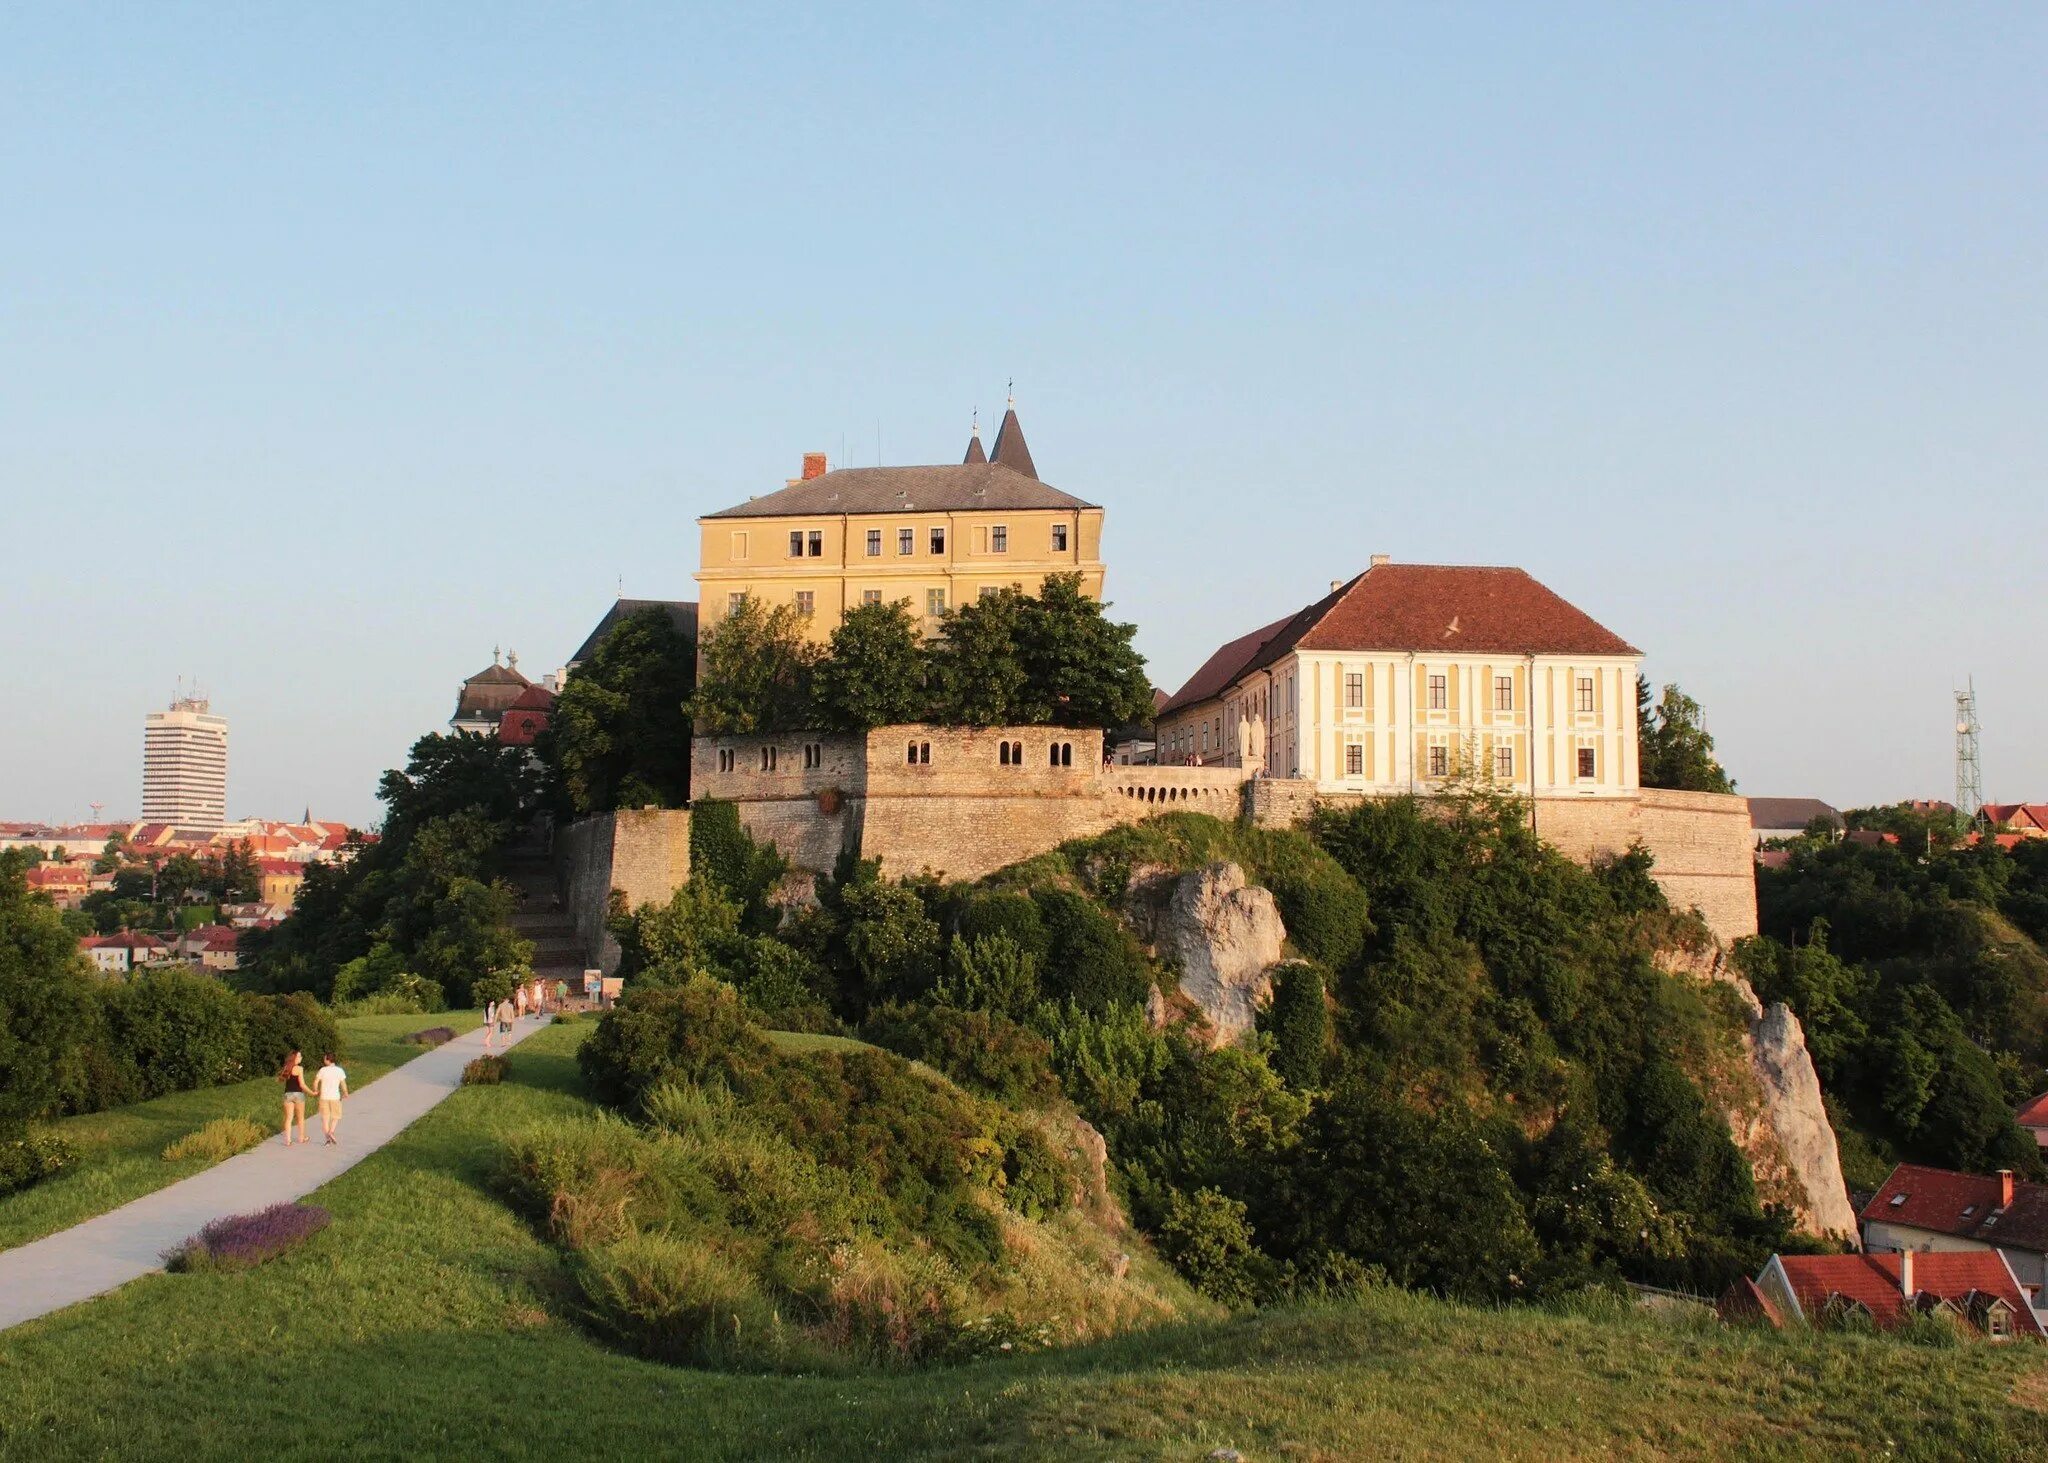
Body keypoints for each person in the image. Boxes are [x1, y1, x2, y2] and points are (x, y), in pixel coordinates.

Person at [312, 1053, 349, 1146]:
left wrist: (316, 1090)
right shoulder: (339, 1071)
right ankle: (331, 1131)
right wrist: (345, 1092)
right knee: (336, 1116)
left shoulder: (322, 1070)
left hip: (324, 1097)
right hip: (335, 1097)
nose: (323, 1061)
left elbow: (316, 1082)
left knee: (325, 1119)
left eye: (324, 1059)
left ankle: (327, 1140)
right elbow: (343, 1084)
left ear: (328, 1060)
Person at [279, 1050, 309, 1146]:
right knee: (300, 1118)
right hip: (298, 1094)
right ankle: (301, 1137)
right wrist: (312, 1092)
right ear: (295, 1058)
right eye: (300, 1056)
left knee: (289, 1118)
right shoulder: (299, 1068)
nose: (301, 1058)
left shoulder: (287, 1068)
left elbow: (280, 1079)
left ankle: (288, 1140)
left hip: (288, 1094)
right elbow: (302, 1084)